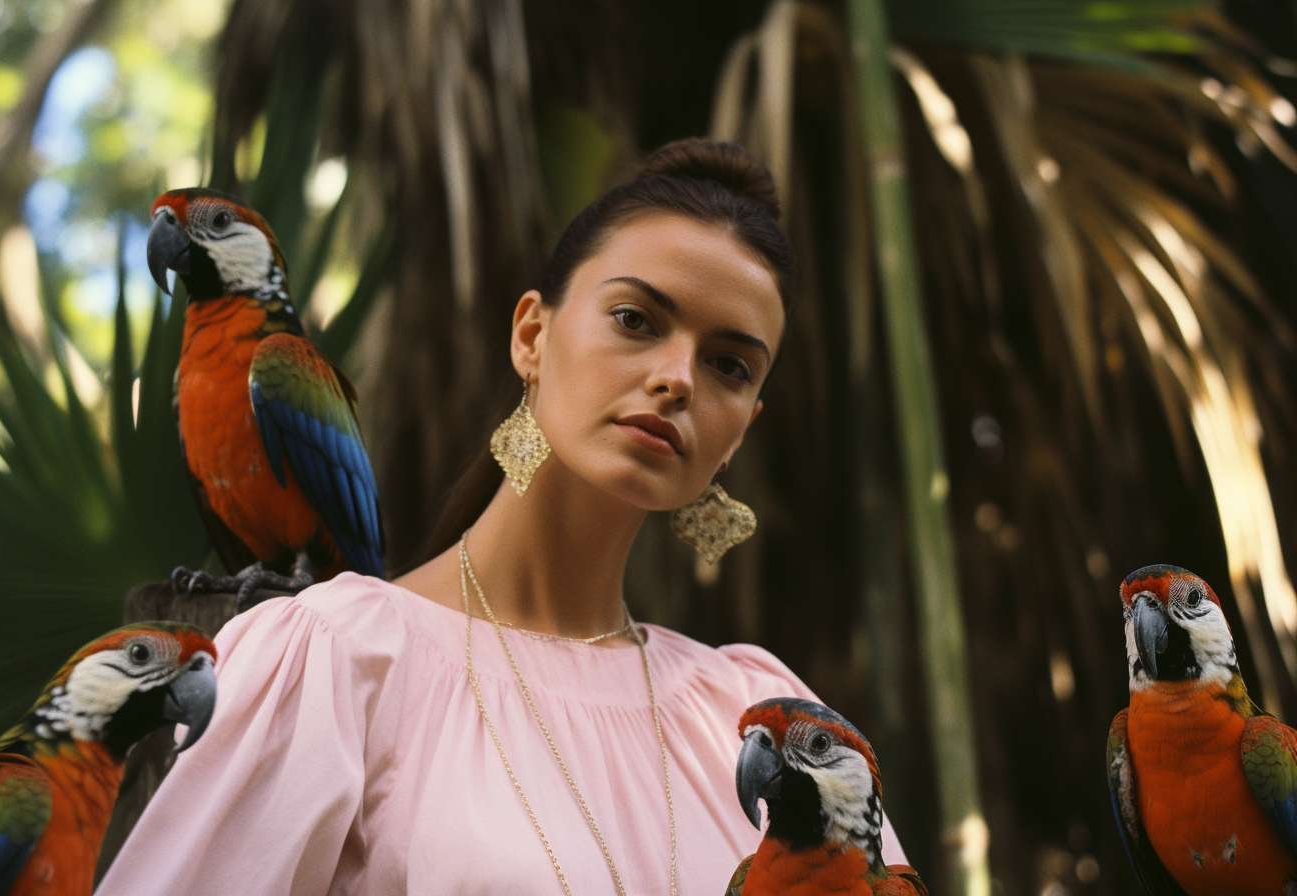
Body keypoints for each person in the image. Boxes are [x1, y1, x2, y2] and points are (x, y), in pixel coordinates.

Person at [96, 138, 906, 894]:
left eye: (729, 364)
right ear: (531, 336)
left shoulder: (762, 713)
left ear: (741, 432)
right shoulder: (337, 661)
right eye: (636, 320)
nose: (677, 378)